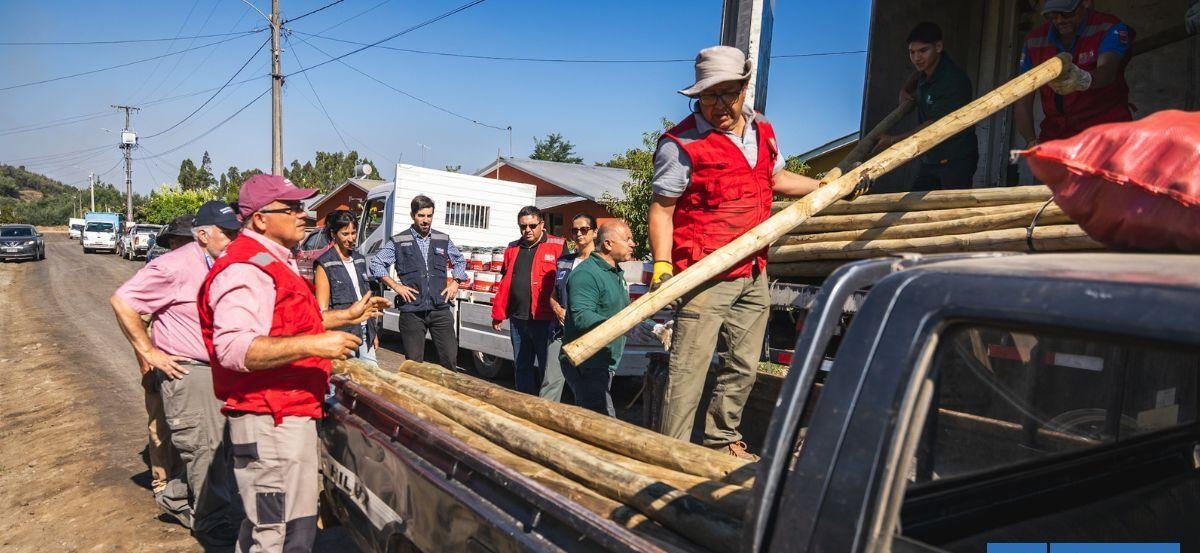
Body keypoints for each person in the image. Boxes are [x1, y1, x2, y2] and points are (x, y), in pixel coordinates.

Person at [198, 174, 388, 553]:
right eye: (292, 208)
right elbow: (234, 349)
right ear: (260, 219)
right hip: (270, 422)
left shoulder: (273, 261)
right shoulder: (244, 268)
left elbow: (287, 324)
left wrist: (345, 314)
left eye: (302, 206)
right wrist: (315, 344)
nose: (305, 214)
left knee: (294, 530)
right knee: (274, 533)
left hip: (288, 416)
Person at [648, 46, 823, 459]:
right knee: (689, 369)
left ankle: (720, 440)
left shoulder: (762, 130)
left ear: (745, 89)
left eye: (728, 93)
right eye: (709, 96)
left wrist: (823, 187)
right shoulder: (680, 144)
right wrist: (661, 265)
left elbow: (776, 179)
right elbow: (661, 209)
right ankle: (665, 454)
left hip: (754, 268)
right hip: (704, 273)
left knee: (744, 366)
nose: (719, 105)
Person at [110, 202, 244, 544]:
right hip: (190, 372)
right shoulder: (173, 265)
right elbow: (123, 302)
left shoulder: (219, 263)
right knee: (205, 449)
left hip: (217, 371)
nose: (233, 238)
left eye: (235, 231)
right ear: (201, 234)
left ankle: (175, 496)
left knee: (220, 449)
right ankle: (211, 525)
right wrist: (149, 352)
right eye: (226, 233)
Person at [120, 213, 191, 525]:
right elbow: (135, 318)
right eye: (179, 241)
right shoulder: (161, 273)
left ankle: (187, 483)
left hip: (187, 368)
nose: (183, 246)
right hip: (161, 367)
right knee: (160, 427)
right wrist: (147, 364)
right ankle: (163, 483)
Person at [875, 22, 978, 190]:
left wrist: (893, 140)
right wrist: (905, 89)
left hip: (956, 158)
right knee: (916, 208)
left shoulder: (953, 81)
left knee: (951, 210)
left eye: (923, 51)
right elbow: (916, 75)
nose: (917, 58)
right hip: (931, 157)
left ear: (938, 47)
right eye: (912, 52)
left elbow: (934, 126)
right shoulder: (926, 70)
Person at [1015, 0, 1134, 146]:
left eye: (1067, 13)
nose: (1059, 20)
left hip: (1105, 130)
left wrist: (1084, 79)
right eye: (1052, 15)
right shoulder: (1034, 41)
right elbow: (1023, 99)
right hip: (1056, 133)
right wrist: (1031, 141)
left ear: (1085, 3)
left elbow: (1107, 71)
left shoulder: (1108, 27)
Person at [369, 195, 467, 370]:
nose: (426, 220)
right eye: (421, 216)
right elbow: (376, 263)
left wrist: (455, 282)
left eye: (429, 216)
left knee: (450, 361)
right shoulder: (399, 241)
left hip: (440, 308)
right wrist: (396, 286)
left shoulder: (442, 239)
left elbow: (460, 261)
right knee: (413, 366)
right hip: (412, 311)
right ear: (413, 215)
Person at [559, 220, 638, 416]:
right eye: (627, 239)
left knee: (593, 419)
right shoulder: (586, 274)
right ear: (608, 244)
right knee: (602, 421)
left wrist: (653, 328)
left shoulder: (615, 273)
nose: (633, 243)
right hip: (586, 363)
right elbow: (581, 316)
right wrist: (620, 326)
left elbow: (625, 312)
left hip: (603, 362)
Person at [491, 206, 569, 394]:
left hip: (546, 321)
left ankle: (544, 408)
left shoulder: (558, 246)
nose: (527, 230)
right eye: (523, 226)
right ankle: (524, 403)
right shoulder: (512, 248)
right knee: (521, 365)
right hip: (519, 319)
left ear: (542, 224)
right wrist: (498, 313)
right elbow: (505, 281)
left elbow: (566, 282)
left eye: (532, 225)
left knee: (547, 369)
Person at [542, 213, 598, 402]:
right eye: (574, 230)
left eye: (584, 230)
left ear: (595, 232)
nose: (579, 234)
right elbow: (553, 293)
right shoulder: (564, 261)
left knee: (585, 387)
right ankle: (541, 426)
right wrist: (557, 309)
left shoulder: (601, 263)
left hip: (588, 334)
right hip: (560, 332)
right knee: (551, 383)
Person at [315, 210, 379, 365]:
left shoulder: (359, 260)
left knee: (372, 379)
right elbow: (322, 312)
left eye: (353, 232)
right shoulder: (325, 264)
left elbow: (365, 296)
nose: (351, 238)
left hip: (364, 332)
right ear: (333, 234)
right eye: (345, 234)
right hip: (341, 334)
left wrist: (373, 332)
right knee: (341, 382)